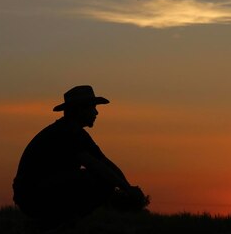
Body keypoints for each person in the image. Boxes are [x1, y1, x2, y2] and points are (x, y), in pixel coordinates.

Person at [13, 85, 148, 224]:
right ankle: (65, 221)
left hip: (38, 192)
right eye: (92, 108)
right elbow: (95, 165)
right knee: (98, 180)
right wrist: (127, 189)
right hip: (33, 197)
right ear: (80, 109)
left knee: (103, 179)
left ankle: (68, 220)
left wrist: (128, 187)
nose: (96, 113)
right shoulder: (67, 133)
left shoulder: (75, 132)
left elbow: (104, 161)